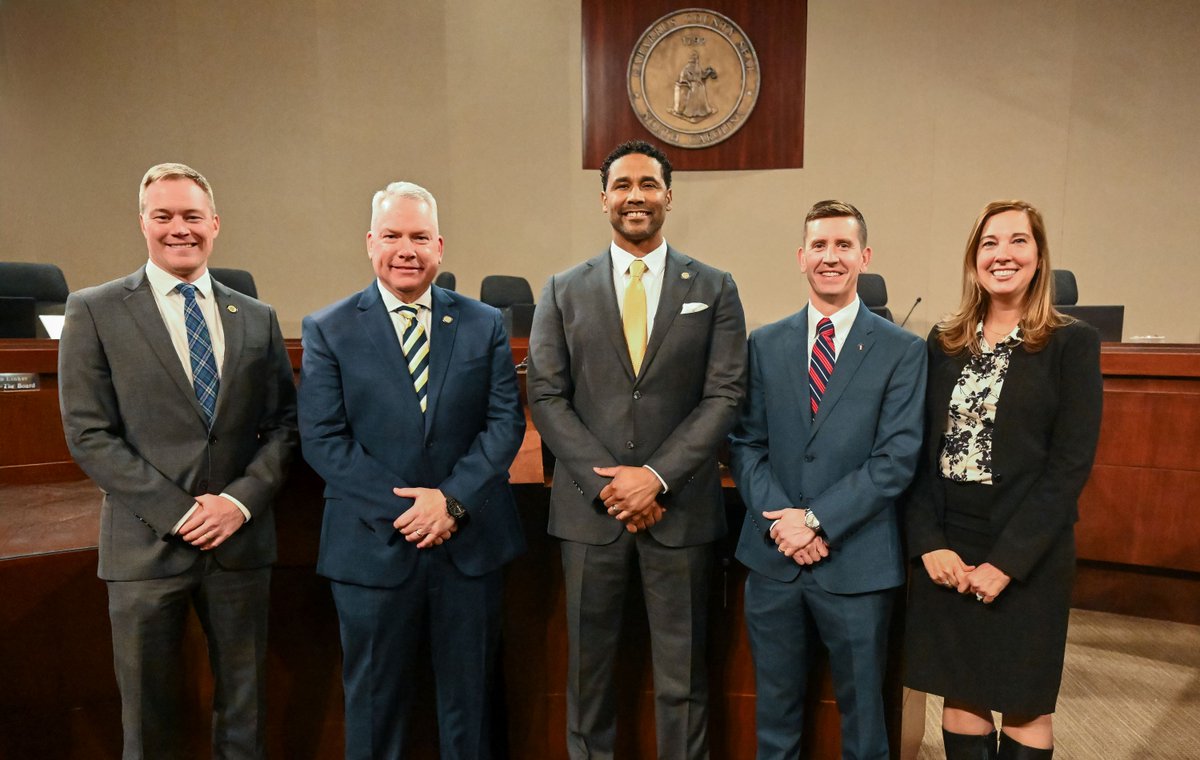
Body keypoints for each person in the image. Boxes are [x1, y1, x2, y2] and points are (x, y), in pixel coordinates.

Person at [59, 163, 298, 760]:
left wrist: (237, 503)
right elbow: (89, 434)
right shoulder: (94, 311)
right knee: (149, 721)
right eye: (163, 216)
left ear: (214, 224)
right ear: (143, 223)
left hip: (239, 547)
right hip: (146, 546)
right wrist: (180, 511)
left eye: (192, 216)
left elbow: (285, 428)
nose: (179, 229)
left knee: (245, 714)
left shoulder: (257, 317)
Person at [527, 140, 747, 759]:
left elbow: (725, 395)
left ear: (668, 197)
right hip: (589, 514)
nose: (635, 197)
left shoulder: (714, 287)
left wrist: (654, 476)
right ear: (603, 200)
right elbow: (546, 397)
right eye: (622, 186)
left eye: (648, 185)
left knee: (684, 681)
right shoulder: (562, 289)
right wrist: (611, 484)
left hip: (679, 512)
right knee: (587, 679)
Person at [298, 181, 526, 760]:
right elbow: (324, 440)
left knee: (470, 714)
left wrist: (449, 502)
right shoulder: (329, 328)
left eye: (420, 237)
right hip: (372, 548)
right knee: (375, 713)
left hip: (468, 545)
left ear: (440, 247)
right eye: (393, 235)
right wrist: (412, 508)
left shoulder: (484, 324)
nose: (407, 249)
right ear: (370, 242)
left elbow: (504, 425)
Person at [904, 201, 1103, 760]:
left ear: (1039, 257)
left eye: (1018, 241)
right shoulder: (944, 342)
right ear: (973, 261)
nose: (1003, 254)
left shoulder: (1070, 343)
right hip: (950, 544)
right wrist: (929, 544)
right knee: (961, 693)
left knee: (1025, 701)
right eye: (989, 243)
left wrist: (1007, 563)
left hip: (1029, 551)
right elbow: (919, 455)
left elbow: (1069, 467)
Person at [729, 200, 926, 760]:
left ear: (865, 257)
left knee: (865, 725)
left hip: (858, 562)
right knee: (775, 717)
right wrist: (785, 525)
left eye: (843, 246)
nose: (830, 257)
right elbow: (746, 445)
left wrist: (816, 521)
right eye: (819, 245)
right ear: (800, 257)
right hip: (773, 562)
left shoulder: (904, 351)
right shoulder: (765, 343)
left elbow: (896, 458)